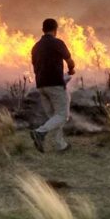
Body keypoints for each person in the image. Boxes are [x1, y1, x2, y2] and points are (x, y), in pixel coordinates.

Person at [30, 18, 75, 153]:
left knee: (54, 117)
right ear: (55, 30)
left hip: (41, 85)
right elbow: (70, 61)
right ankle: (39, 132)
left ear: (43, 30)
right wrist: (71, 70)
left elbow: (35, 66)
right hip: (55, 83)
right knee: (62, 115)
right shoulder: (58, 43)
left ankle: (60, 145)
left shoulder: (36, 46)